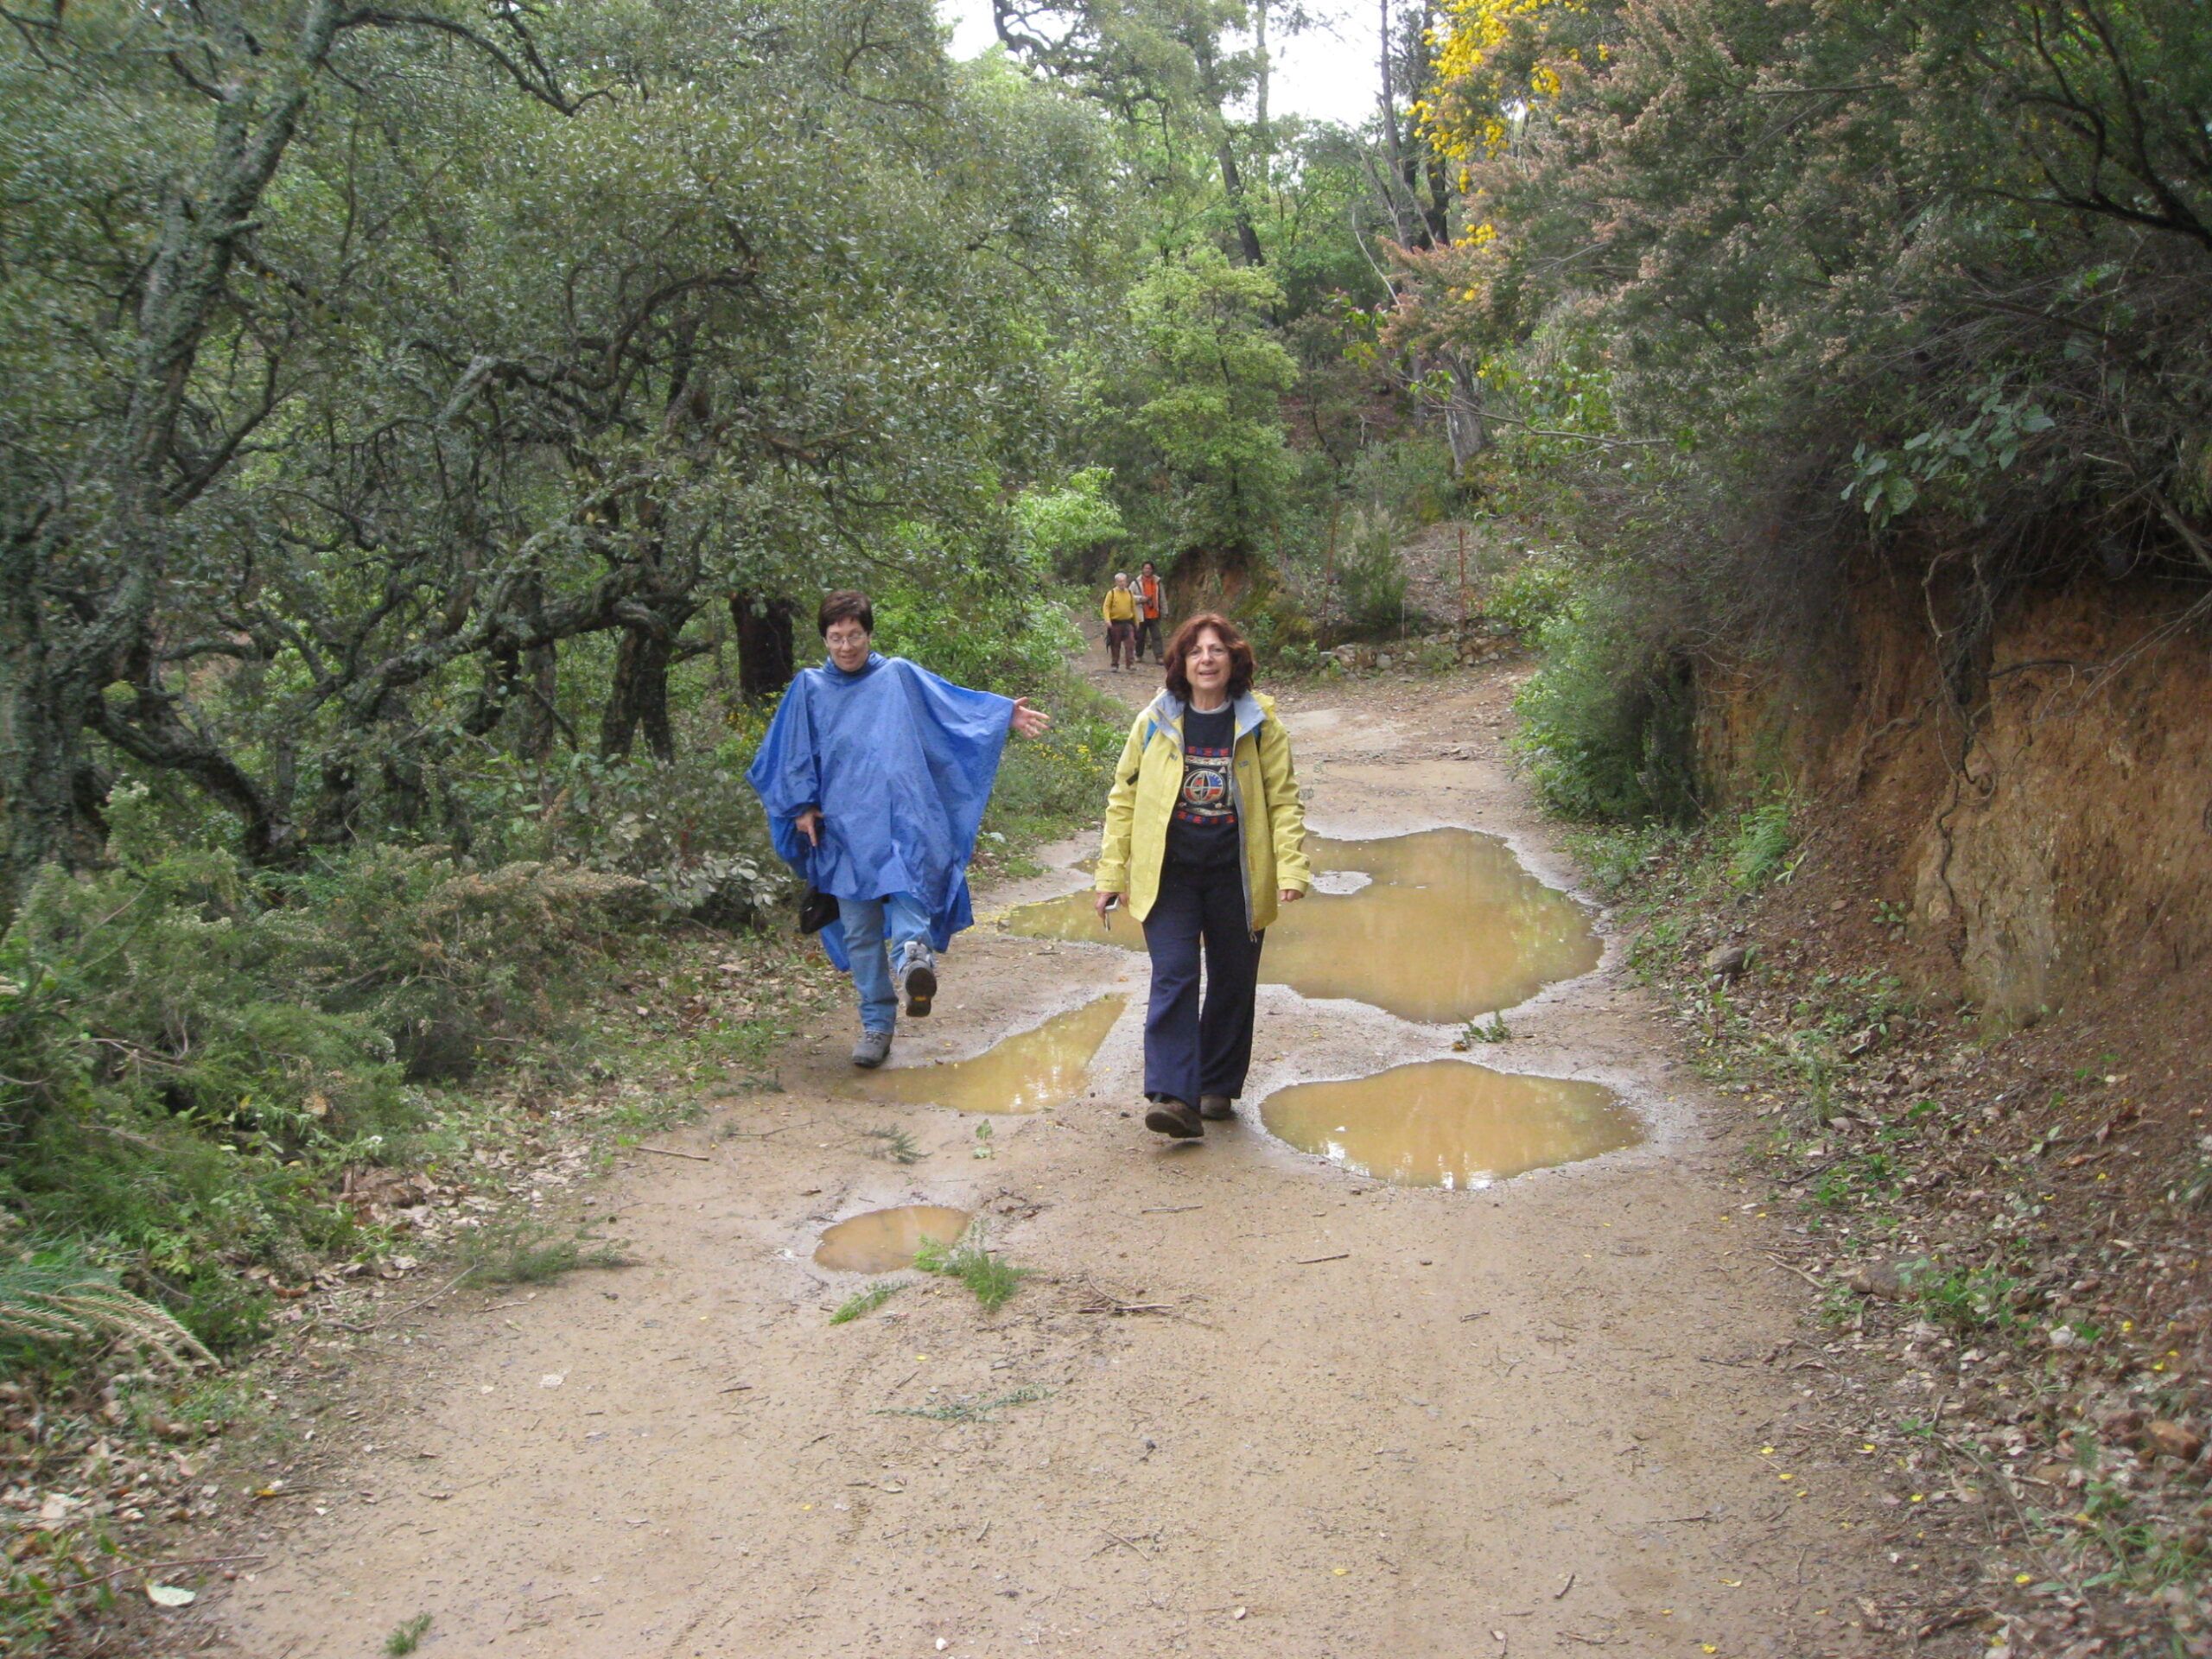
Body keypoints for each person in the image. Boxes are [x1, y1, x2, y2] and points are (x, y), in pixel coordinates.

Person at [747, 591, 1052, 1068]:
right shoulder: (808, 688)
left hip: (902, 816)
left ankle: (913, 961)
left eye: (855, 636)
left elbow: (948, 709)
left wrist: (1000, 715)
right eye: (836, 638)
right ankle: (876, 1025)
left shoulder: (897, 676)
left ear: (869, 635)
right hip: (841, 828)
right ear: (824, 640)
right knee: (859, 931)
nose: (846, 646)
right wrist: (800, 806)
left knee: (910, 888)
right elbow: (786, 752)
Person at [1092, 613, 1309, 1139]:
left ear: (1233, 661)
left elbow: (1283, 800)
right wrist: (1111, 873)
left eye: (1217, 650)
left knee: (1234, 980)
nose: (1206, 659)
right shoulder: (1154, 721)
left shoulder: (1259, 724)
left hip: (1237, 873)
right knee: (1175, 974)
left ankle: (1216, 1085)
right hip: (1169, 874)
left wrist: (1291, 866)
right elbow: (1123, 799)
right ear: (1181, 664)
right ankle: (1173, 1095)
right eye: (1196, 651)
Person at [1101, 572, 1138, 671]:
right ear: (1116, 582)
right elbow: (1106, 607)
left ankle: (1130, 664)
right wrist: (1107, 620)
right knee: (1115, 644)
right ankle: (1115, 664)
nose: (1122, 583)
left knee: (1130, 642)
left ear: (1126, 582)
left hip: (1128, 622)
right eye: (1120, 581)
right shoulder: (1111, 593)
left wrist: (1136, 622)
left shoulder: (1129, 593)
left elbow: (1133, 608)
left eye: (1124, 581)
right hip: (1115, 622)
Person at [1133, 560, 1166, 664]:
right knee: (1140, 636)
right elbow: (1129, 597)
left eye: (1149, 568)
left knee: (1157, 636)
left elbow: (1162, 597)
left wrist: (1165, 611)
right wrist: (1141, 599)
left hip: (1154, 613)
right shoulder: (1135, 583)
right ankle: (1138, 655)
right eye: (1146, 568)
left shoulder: (1157, 582)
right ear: (1142, 569)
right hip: (1141, 614)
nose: (1147, 570)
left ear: (1152, 570)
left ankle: (1159, 656)